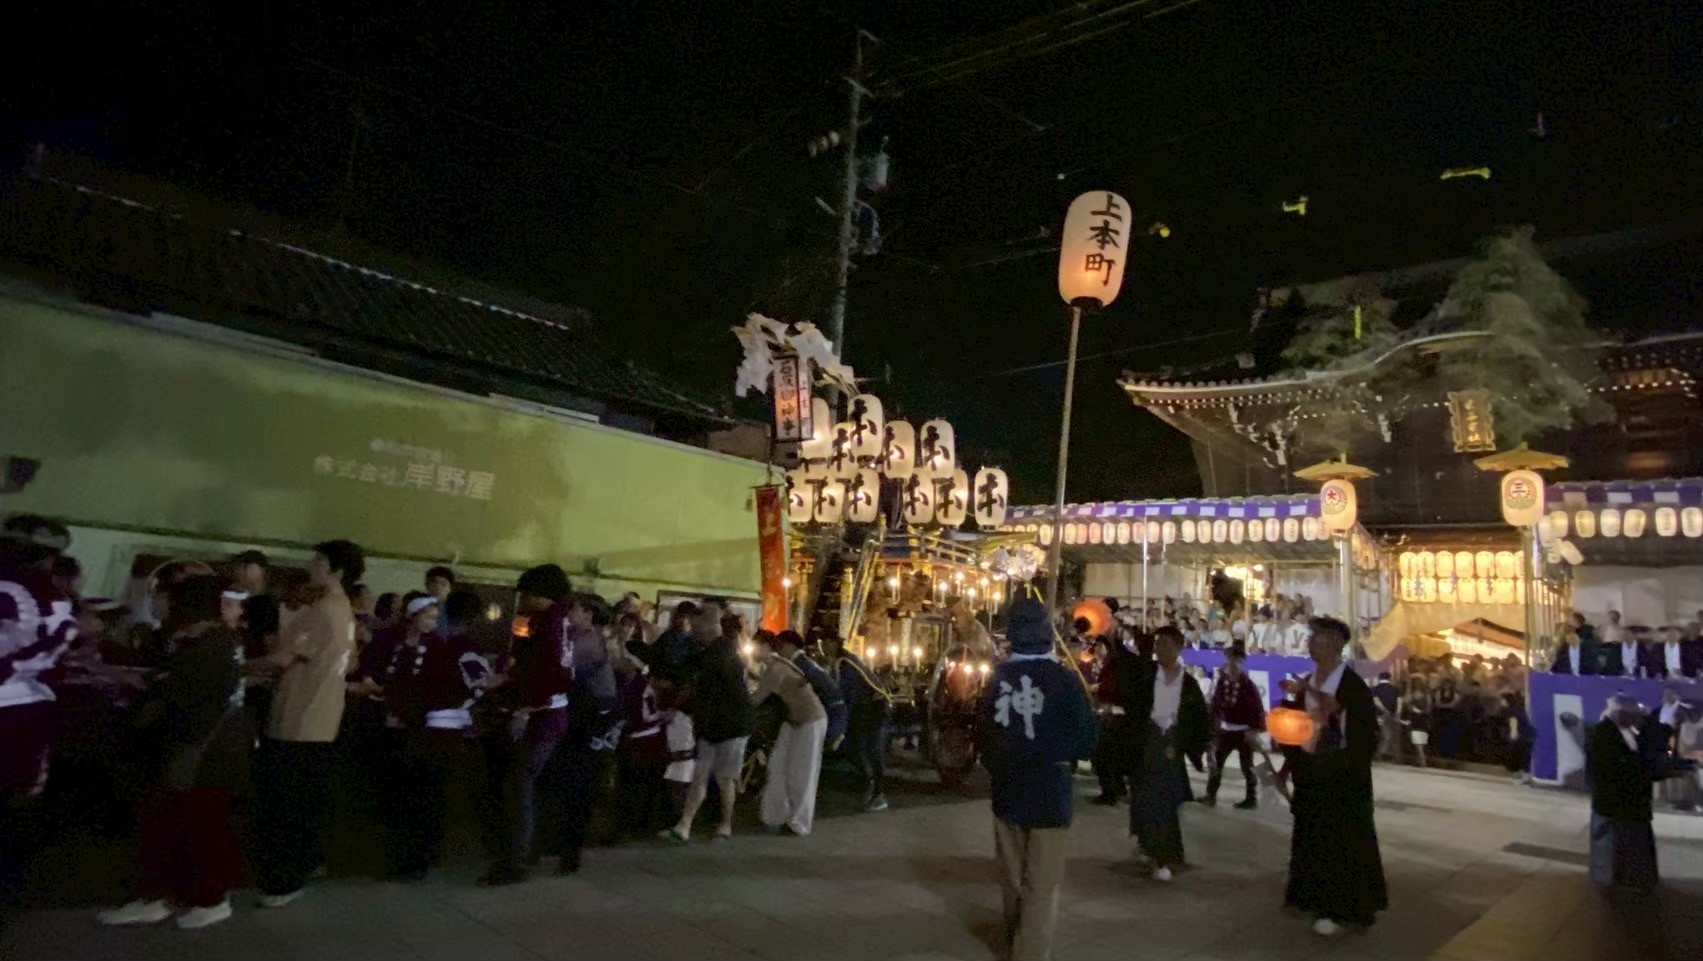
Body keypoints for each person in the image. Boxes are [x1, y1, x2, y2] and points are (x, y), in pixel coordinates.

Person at [99, 575, 250, 929]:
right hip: (216, 747)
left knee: (190, 825)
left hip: (199, 749)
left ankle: (199, 898)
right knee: (194, 825)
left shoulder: (204, 647)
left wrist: (141, 697)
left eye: (165, 597)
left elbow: (174, 697)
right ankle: (181, 897)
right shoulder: (220, 641)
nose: (159, 603)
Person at [981, 596, 1097, 961]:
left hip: (1007, 790)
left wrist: (999, 763)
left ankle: (1014, 938)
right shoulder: (1065, 680)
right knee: (1042, 884)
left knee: (1013, 877)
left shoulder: (997, 679)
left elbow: (982, 734)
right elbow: (1087, 738)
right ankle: (1029, 952)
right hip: (1050, 792)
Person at [252, 539, 362, 908]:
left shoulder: (323, 610)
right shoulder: (344, 610)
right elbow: (351, 661)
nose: (310, 565)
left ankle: (284, 880)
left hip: (300, 716)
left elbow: (282, 658)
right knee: (305, 800)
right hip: (322, 717)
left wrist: (239, 667)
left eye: (318, 561)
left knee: (287, 804)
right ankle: (303, 865)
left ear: (336, 571)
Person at [361, 594, 486, 880]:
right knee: (405, 793)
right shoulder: (396, 643)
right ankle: (402, 855)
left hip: (423, 727)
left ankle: (416, 859)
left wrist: (405, 705)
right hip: (403, 724)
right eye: (428, 616)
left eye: (435, 617)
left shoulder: (438, 649)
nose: (432, 622)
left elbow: (434, 688)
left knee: (420, 793)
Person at [1279, 616, 1387, 935]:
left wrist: (1330, 707)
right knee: (1310, 834)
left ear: (1337, 645)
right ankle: (1309, 898)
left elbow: (1364, 731)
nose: (1312, 643)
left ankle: (1340, 908)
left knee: (1341, 840)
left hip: (1342, 775)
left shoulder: (1352, 685)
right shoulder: (1308, 680)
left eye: (1319, 638)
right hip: (1311, 771)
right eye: (1312, 638)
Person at [479, 564, 574, 887]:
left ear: (541, 594)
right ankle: (525, 850)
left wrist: (515, 690)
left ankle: (515, 859)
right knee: (525, 784)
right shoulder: (555, 622)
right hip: (548, 710)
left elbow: (544, 671)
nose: (524, 601)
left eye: (528, 595)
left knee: (518, 783)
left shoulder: (549, 625)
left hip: (543, 712)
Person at [1124, 626, 1208, 881]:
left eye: (1167, 644)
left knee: (1166, 800)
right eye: (1158, 644)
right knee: (1144, 797)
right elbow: (1134, 708)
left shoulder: (1188, 683)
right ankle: (1149, 845)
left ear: (1179, 647)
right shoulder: (1147, 675)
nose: (1161, 649)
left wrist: (1191, 746)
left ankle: (1162, 854)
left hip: (1172, 745)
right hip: (1147, 742)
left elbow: (1198, 720)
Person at [665, 606, 754, 842]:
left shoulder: (720, 653)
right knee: (701, 775)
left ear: (707, 628)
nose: (692, 632)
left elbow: (698, 682)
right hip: (713, 724)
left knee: (725, 778)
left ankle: (724, 824)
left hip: (731, 725)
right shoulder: (712, 652)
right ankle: (685, 824)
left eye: (695, 628)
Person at [554, 594, 620, 875]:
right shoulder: (585, 639)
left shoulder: (589, 642)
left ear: (588, 614)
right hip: (586, 718)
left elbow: (564, 669)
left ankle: (571, 849)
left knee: (579, 784)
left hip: (589, 720)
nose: (570, 614)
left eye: (575, 610)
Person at [751, 629, 828, 836]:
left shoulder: (776, 668)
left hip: (810, 720)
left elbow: (757, 698)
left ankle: (798, 823)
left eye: (756, 645)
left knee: (801, 773)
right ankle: (774, 815)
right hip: (792, 721)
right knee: (777, 766)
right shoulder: (774, 667)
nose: (753, 650)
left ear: (767, 646)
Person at [1588, 694, 1665, 893]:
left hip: (1629, 800)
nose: (1636, 718)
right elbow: (1610, 768)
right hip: (1616, 801)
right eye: (1633, 715)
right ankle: (1625, 879)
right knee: (1623, 844)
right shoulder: (1603, 733)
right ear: (1620, 713)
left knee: (1633, 841)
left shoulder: (1625, 731)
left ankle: (1634, 878)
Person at [825, 632, 893, 811]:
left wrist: (841, 719)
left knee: (872, 751)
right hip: (862, 712)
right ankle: (869, 783)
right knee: (854, 749)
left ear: (834, 643)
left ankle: (878, 792)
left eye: (826, 642)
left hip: (872, 711)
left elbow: (849, 693)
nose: (823, 647)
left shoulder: (846, 664)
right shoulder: (842, 661)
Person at [1205, 642, 1265, 810]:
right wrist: (1212, 726)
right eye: (1229, 660)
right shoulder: (1222, 682)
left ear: (1241, 663)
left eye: (1236, 661)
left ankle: (1251, 799)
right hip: (1225, 731)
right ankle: (1210, 795)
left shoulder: (1248, 685)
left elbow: (1258, 710)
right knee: (1216, 764)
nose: (1232, 664)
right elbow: (1215, 705)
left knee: (1247, 767)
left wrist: (1253, 731)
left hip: (1244, 733)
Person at [425, 565, 456, 632]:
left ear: (450, 588)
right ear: (427, 586)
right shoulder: (419, 608)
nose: (438, 587)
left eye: (443, 584)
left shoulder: (455, 610)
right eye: (434, 583)